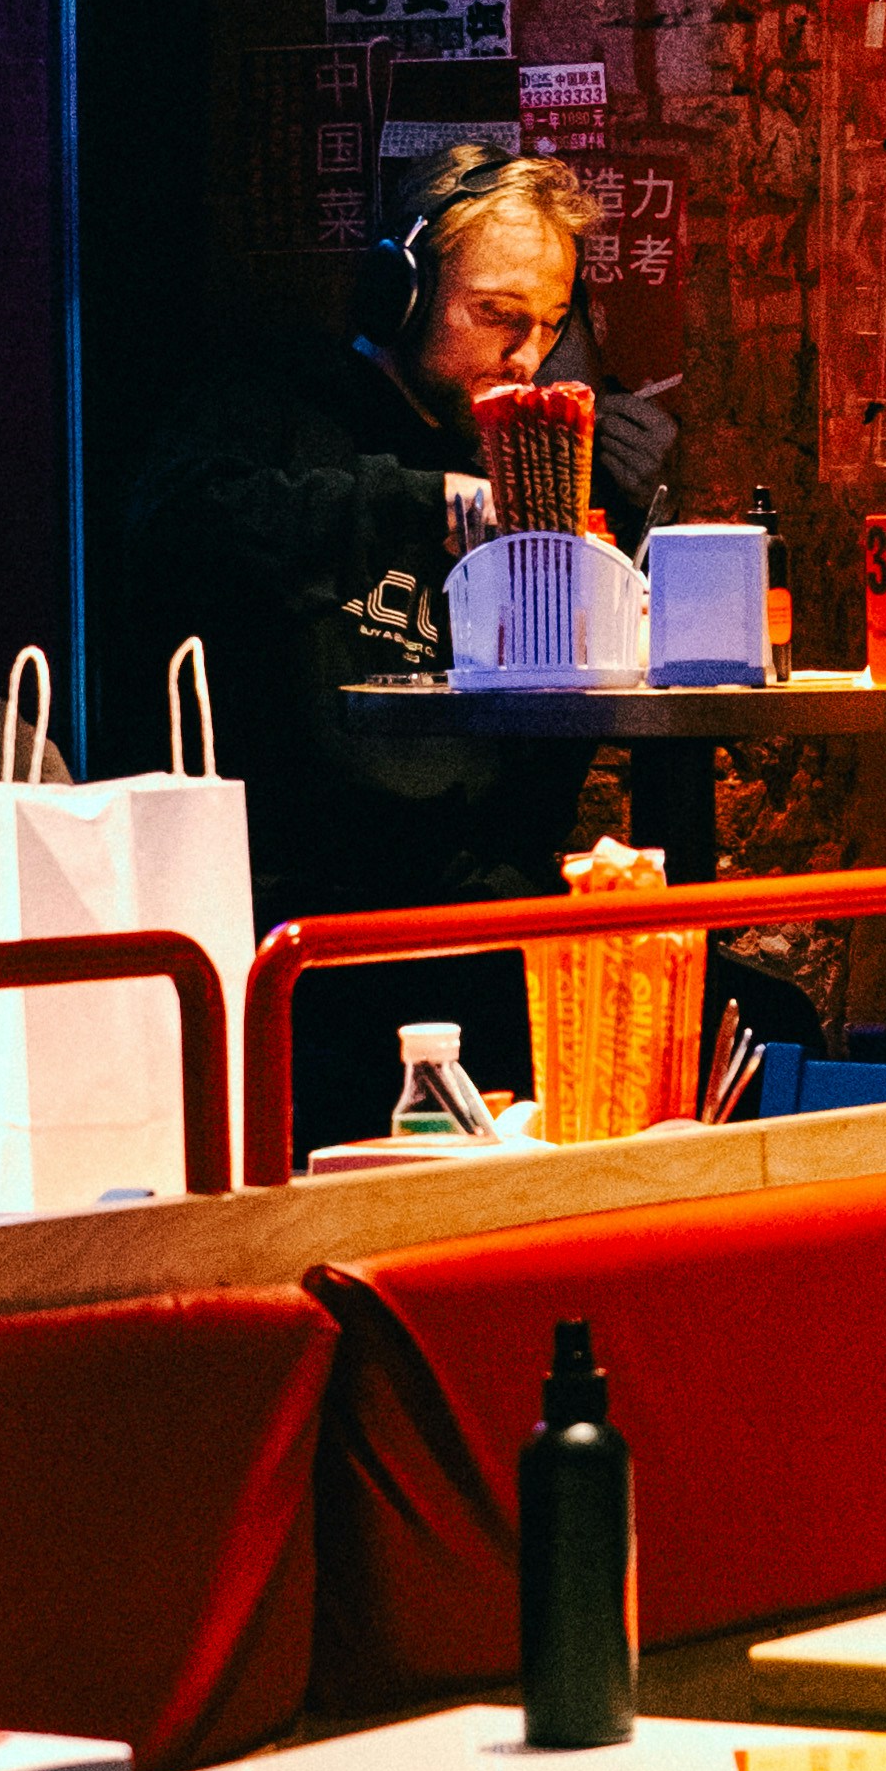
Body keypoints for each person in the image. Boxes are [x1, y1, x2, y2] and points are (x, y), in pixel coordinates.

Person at [132, 142, 641, 1142]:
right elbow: (174, 523)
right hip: (313, 909)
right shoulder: (272, 405)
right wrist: (425, 507)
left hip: (483, 900)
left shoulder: (515, 451)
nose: (525, 356)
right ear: (397, 293)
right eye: (496, 315)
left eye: (548, 325)